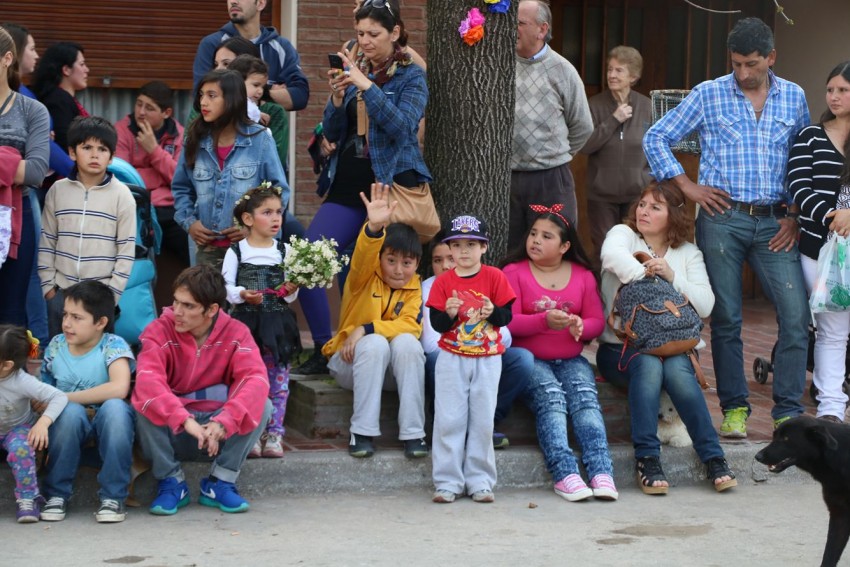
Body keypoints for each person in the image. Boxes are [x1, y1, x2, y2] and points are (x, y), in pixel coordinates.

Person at [643, 17, 810, 436]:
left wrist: (794, 214)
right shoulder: (709, 93)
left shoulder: (794, 97)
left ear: (771, 58)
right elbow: (656, 136)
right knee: (728, 317)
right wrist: (687, 186)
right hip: (723, 219)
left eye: (751, 64)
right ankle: (735, 408)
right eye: (736, 64)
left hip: (775, 221)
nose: (742, 73)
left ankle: (787, 411)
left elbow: (803, 159)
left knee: (794, 315)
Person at [294, 0, 431, 375]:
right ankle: (326, 348)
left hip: (390, 190)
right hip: (347, 184)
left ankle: (361, 346)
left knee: (359, 269)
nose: (365, 41)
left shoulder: (411, 77)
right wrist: (338, 97)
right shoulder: (355, 69)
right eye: (360, 34)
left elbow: (403, 128)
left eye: (373, 34)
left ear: (395, 33)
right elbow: (334, 131)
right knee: (308, 261)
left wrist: (366, 85)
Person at [597, 182, 736, 494]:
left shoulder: (687, 254)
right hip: (621, 348)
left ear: (673, 216)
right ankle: (647, 457)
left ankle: (713, 457)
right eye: (642, 204)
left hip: (675, 347)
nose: (643, 211)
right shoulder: (624, 234)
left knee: (674, 369)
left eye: (655, 207)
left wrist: (672, 277)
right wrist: (647, 273)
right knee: (648, 366)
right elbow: (610, 256)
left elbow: (705, 304)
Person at [132, 264, 272, 515]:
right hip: (173, 432)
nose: (177, 312)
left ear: (212, 310)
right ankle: (171, 482)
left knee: (263, 403)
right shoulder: (158, 330)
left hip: (216, 436)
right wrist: (184, 420)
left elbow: (255, 379)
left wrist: (224, 422)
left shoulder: (237, 333)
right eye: (176, 302)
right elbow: (148, 380)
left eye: (188, 306)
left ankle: (221, 481)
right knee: (144, 401)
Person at [502, 205, 618, 502]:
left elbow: (595, 321)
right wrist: (543, 320)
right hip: (530, 360)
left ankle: (601, 471)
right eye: (533, 234)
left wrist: (581, 324)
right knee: (552, 398)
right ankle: (565, 473)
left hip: (571, 359)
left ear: (565, 246)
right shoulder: (513, 273)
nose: (536, 241)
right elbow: (507, 320)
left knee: (585, 399)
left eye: (547, 236)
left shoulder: (582, 276)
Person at [322, 183, 427, 459]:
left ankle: (414, 433)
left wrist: (366, 328)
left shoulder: (416, 287)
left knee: (407, 343)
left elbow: (411, 326)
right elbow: (363, 257)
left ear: (417, 264)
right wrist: (373, 229)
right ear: (380, 258)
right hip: (349, 362)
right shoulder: (363, 277)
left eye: (407, 263)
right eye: (391, 260)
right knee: (375, 345)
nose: (398, 270)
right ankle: (363, 431)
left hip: (392, 370)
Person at [427, 214, 516, 504]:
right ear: (449, 250)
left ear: (484, 248)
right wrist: (450, 314)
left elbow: (506, 316)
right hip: (452, 357)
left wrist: (493, 311)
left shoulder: (495, 277)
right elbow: (438, 323)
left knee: (482, 420)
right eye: (458, 244)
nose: (464, 251)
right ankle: (447, 481)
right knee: (449, 418)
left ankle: (480, 480)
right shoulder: (443, 283)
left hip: (487, 358)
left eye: (472, 244)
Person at [421, 230, 531, 449]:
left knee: (523, 360)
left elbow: (505, 337)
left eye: (449, 259)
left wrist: (490, 315)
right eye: (437, 260)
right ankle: (447, 425)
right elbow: (430, 343)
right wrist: (453, 321)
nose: (445, 266)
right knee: (435, 361)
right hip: (451, 356)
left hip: (484, 353)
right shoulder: (431, 287)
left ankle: (487, 424)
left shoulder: (490, 279)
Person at [171, 69, 288, 270]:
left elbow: (279, 191)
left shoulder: (260, 139)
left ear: (232, 99)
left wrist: (253, 228)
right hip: (205, 251)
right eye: (201, 95)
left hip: (250, 251)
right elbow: (181, 188)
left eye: (212, 95)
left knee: (244, 302)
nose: (203, 102)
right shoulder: (194, 140)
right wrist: (189, 222)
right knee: (208, 301)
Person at [39, 280, 135, 523]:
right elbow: (42, 395)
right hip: (66, 435)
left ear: (101, 322)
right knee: (69, 412)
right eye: (65, 315)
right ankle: (56, 495)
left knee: (115, 408)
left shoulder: (113, 345)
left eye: (77, 317)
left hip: (108, 434)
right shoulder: (56, 346)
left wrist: (62, 398)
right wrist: (54, 403)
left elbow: (119, 387)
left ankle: (113, 497)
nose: (67, 323)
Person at [788, 61, 850, 423]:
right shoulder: (811, 136)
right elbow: (799, 187)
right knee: (832, 330)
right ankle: (830, 406)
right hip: (820, 250)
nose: (835, 96)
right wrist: (834, 218)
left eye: (843, 90)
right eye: (831, 90)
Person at [38, 116, 136, 340]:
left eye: (102, 149)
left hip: (100, 296)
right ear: (72, 152)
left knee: (97, 360)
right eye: (87, 147)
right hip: (62, 292)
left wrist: (111, 296)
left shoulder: (122, 196)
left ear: (111, 157)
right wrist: (48, 287)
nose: (94, 154)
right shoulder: (57, 191)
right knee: (59, 355)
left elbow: (126, 250)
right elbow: (47, 240)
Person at [222, 183, 300, 458]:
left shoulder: (284, 251)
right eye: (267, 212)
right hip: (246, 325)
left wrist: (291, 290)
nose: (276, 218)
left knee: (278, 381)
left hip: (277, 325)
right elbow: (226, 287)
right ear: (248, 218)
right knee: (246, 381)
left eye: (279, 212)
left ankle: (275, 434)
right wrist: (242, 294)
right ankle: (250, 433)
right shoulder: (237, 252)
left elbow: (289, 297)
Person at [510, 0, 593, 250]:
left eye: (521, 24)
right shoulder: (501, 65)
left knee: (554, 247)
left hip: (550, 179)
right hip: (507, 177)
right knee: (510, 249)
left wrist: (555, 156)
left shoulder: (563, 70)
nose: (514, 29)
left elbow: (583, 126)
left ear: (542, 29)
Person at [581, 45, 652, 259]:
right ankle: (604, 294)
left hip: (637, 195)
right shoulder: (594, 105)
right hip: (601, 196)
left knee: (636, 251)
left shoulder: (647, 107)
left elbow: (657, 146)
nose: (611, 75)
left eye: (618, 70)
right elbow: (585, 146)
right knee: (606, 251)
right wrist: (614, 120)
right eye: (609, 69)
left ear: (633, 76)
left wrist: (647, 180)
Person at [0, 26, 50, 329]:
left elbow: (35, 172)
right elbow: (22, 167)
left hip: (18, 216)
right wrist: (10, 160)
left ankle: (8, 374)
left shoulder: (32, 110)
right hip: (15, 194)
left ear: (7, 58)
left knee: (12, 310)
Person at [114, 80, 188, 266]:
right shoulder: (122, 130)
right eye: (139, 104)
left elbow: (180, 179)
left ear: (166, 113)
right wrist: (161, 177)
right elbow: (122, 176)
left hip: (170, 210)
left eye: (149, 108)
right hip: (135, 206)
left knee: (187, 242)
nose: (141, 112)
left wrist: (154, 150)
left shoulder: (179, 135)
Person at [0, 324, 68, 523]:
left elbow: (59, 397)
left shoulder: (21, 381)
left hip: (16, 430)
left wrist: (42, 423)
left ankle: (28, 498)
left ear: (7, 365)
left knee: (21, 449)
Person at [193, 0, 309, 112]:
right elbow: (202, 97)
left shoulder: (282, 47)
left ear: (260, 3)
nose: (233, 1)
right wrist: (268, 91)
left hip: (273, 129)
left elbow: (301, 97)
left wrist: (257, 92)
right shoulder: (212, 44)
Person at [31, 41, 89, 154]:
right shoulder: (58, 101)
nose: (87, 70)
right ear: (66, 70)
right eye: (82, 64)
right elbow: (65, 143)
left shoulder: (63, 98)